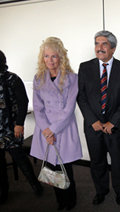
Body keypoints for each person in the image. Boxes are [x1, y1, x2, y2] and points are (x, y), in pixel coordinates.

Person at [77, 30, 120, 206]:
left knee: (118, 162)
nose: (99, 48)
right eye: (96, 44)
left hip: (115, 127)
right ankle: (101, 190)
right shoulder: (84, 67)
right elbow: (81, 96)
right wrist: (92, 120)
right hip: (93, 127)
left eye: (104, 44)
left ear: (113, 48)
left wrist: (113, 121)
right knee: (97, 162)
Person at [30, 37, 82, 210]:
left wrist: (52, 130)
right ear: (42, 58)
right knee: (52, 168)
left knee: (65, 167)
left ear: (61, 57)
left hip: (63, 129)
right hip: (45, 130)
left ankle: (70, 200)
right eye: (46, 56)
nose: (50, 60)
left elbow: (68, 110)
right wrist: (46, 130)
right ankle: (61, 201)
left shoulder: (72, 78)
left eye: (54, 56)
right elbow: (38, 108)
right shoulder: (38, 78)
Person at [0, 50, 43, 204]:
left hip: (11, 128)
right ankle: (3, 191)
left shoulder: (13, 78)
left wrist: (19, 124)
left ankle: (35, 185)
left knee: (20, 159)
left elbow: (23, 103)